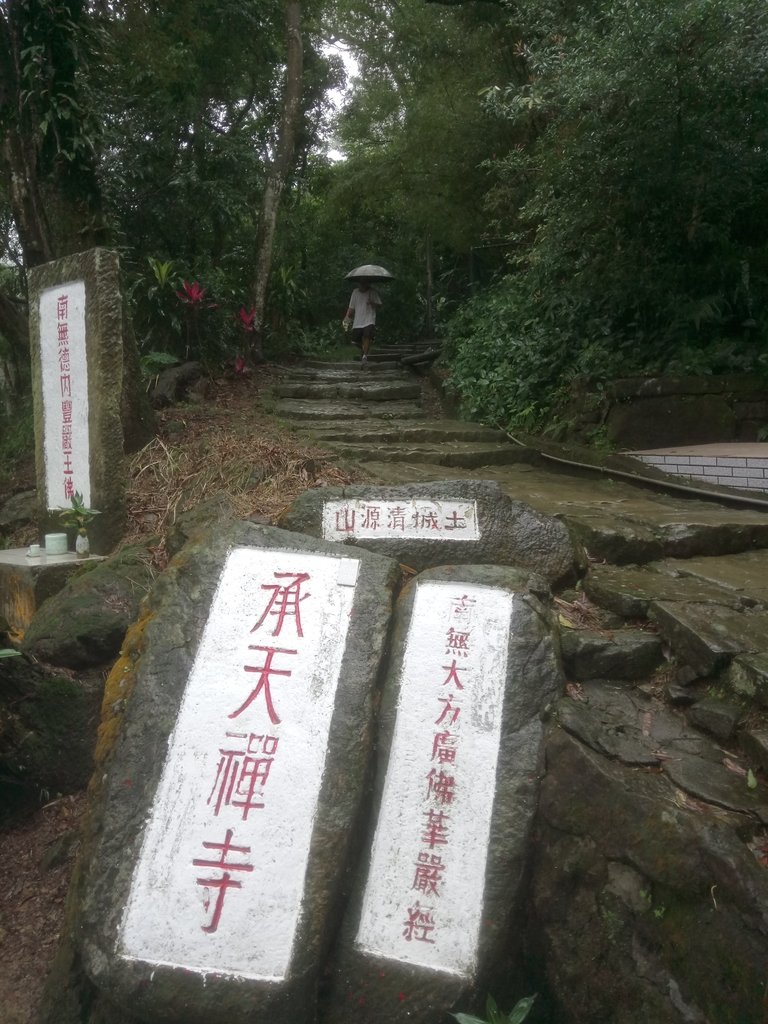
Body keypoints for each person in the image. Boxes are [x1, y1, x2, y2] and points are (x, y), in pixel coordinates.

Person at [343, 279, 382, 363]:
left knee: (367, 336)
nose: (363, 284)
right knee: (355, 341)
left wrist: (372, 303)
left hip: (369, 319)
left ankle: (365, 356)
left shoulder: (372, 292)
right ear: (359, 283)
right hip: (358, 320)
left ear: (368, 283)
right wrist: (347, 317)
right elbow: (351, 307)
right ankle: (365, 348)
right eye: (361, 282)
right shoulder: (355, 292)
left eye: (365, 282)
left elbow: (380, 305)